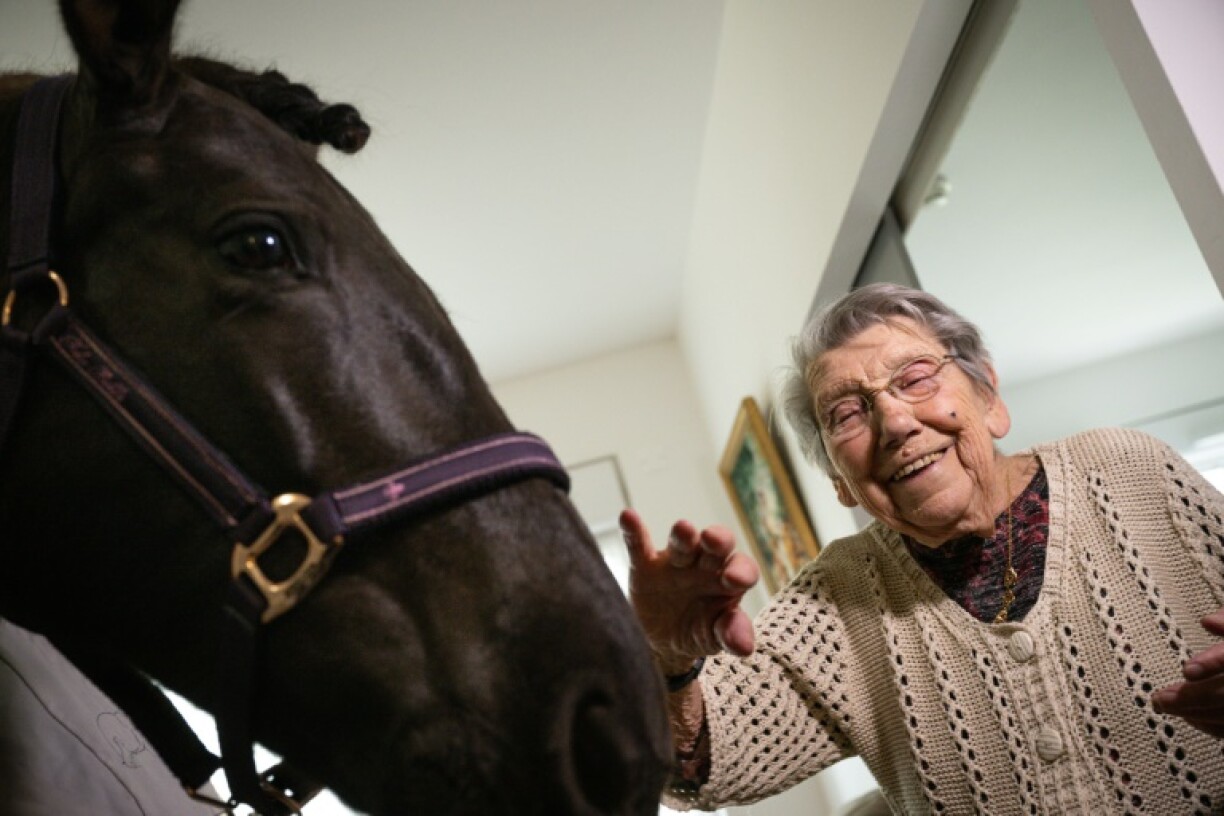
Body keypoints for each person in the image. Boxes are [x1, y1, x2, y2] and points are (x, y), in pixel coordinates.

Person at [621, 283, 1224, 814]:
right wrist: (666, 659)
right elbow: (702, 770)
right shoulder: (837, 599)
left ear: (989, 397)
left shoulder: (1126, 471)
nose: (895, 422)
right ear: (838, 480)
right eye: (847, 414)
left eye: (914, 378)